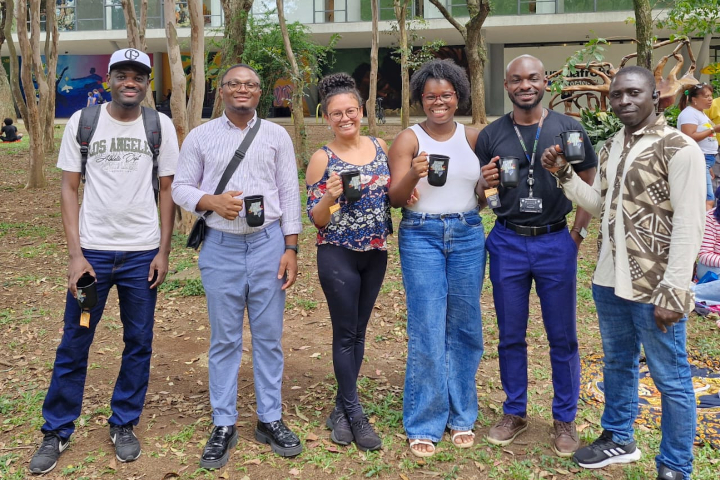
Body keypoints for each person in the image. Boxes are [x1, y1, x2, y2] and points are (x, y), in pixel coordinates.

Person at [541, 66, 705, 480]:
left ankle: (675, 465)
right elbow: (599, 204)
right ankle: (618, 437)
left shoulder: (679, 148)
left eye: (634, 93)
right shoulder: (612, 145)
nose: (624, 101)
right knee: (618, 362)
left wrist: (675, 289)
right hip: (610, 278)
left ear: (655, 96)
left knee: (671, 377)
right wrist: (564, 174)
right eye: (617, 95)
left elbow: (690, 222)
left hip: (655, 284)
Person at [29, 48, 179, 474]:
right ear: (109, 79)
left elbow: (167, 192)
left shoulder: (159, 126)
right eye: (123, 75)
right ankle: (56, 430)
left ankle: (124, 423)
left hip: (141, 255)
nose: (130, 82)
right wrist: (76, 255)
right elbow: (69, 189)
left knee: (139, 342)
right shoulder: (84, 122)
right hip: (92, 255)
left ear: (147, 83)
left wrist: (163, 252)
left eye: (139, 76)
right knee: (75, 343)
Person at [172, 63, 303, 468]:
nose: (242, 89)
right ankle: (223, 423)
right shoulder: (201, 136)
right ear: (222, 91)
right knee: (225, 339)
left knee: (268, 338)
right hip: (220, 248)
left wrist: (291, 248)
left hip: (268, 246)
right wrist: (211, 202)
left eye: (250, 84)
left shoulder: (276, 135)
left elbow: (289, 191)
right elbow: (180, 186)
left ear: (259, 92)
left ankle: (270, 419)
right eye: (234, 84)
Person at [475, 54, 597, 457]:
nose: (524, 85)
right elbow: (484, 195)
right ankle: (515, 411)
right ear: (506, 86)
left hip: (554, 241)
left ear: (546, 82)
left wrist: (577, 233)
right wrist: (484, 186)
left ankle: (564, 418)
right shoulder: (492, 133)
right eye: (516, 80)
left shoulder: (568, 128)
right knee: (511, 334)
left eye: (532, 78)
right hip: (508, 241)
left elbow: (589, 179)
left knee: (562, 336)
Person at [388, 58, 485, 458]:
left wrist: (488, 188)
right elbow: (394, 198)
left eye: (446, 95)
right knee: (427, 327)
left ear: (458, 95)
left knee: (465, 326)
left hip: (467, 232)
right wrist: (413, 174)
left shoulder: (475, 137)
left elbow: (482, 193)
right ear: (420, 99)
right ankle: (425, 420)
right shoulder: (408, 139)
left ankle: (462, 415)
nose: (438, 102)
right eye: (430, 96)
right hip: (421, 234)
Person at [306, 73, 392, 452]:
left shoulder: (380, 146)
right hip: (337, 252)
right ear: (327, 117)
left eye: (351, 111)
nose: (345, 118)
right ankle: (355, 412)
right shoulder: (321, 158)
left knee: (359, 331)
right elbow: (317, 219)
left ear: (362, 111)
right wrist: (329, 195)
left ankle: (342, 407)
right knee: (345, 334)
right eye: (336, 113)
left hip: (375, 253)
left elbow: (394, 193)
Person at [677, 83, 720, 210]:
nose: (710, 99)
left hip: (706, 160)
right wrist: (714, 129)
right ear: (694, 100)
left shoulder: (700, 113)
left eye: (711, 96)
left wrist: (709, 165)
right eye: (706, 96)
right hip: (698, 158)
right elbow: (689, 136)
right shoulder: (689, 114)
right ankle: (706, 229)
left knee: (706, 196)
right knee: (708, 199)